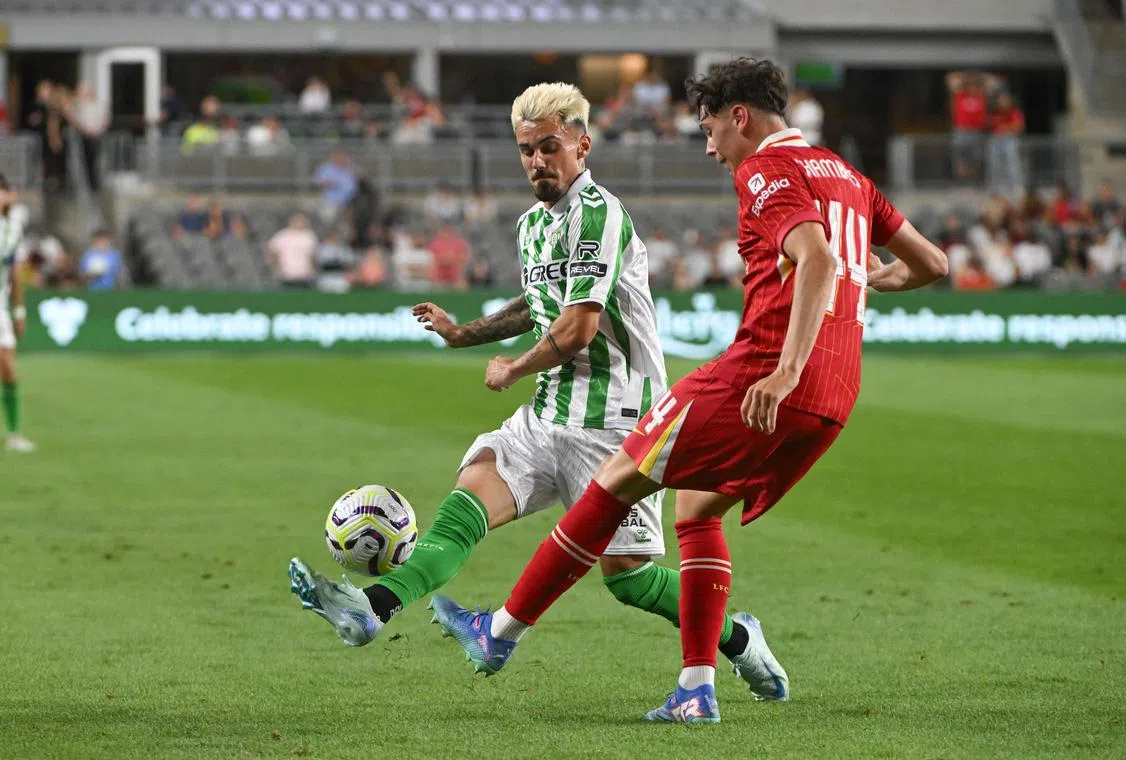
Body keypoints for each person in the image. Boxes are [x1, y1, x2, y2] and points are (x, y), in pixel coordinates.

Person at [429, 57, 949, 724]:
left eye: (710, 130)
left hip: (762, 373)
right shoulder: (847, 176)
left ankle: (497, 632)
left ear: (741, 118)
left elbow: (817, 257)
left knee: (613, 481)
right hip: (837, 394)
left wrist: (785, 368)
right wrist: (868, 278)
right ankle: (696, 688)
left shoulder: (766, 167)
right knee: (696, 510)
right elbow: (931, 264)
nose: (709, 147)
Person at [286, 81, 787, 703]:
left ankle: (738, 639)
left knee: (628, 579)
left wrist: (510, 369)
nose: (536, 161)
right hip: (549, 412)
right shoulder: (532, 225)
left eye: (549, 147)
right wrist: (463, 332)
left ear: (582, 144)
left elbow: (577, 328)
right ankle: (372, 607)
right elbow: (539, 304)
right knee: (470, 496)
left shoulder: (600, 214)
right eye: (526, 150)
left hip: (615, 422)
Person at [0, 176, 34, 452]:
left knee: (9, 370)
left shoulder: (12, 229)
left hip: (0, 308)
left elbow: (13, 273)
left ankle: (13, 434)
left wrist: (18, 309)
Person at [267, 213, 317, 287]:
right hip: (287, 273)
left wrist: (311, 267)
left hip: (304, 273)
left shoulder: (309, 235)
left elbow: (312, 254)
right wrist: (278, 265)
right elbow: (272, 250)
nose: (300, 223)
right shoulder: (283, 235)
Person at [312, 150, 358, 225]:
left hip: (348, 204)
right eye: (339, 157)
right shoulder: (326, 169)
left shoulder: (350, 170)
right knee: (328, 225)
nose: (342, 159)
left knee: (345, 227)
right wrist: (327, 183)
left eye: (344, 157)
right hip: (331, 203)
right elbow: (317, 182)